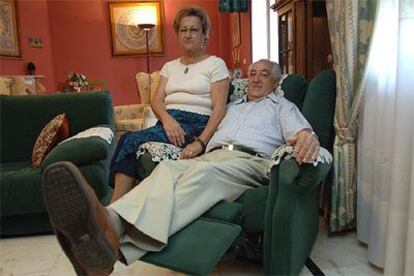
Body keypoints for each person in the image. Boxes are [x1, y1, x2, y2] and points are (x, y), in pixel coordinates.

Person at [41, 59, 320, 275]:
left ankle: (113, 240)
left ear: (276, 81)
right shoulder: (231, 106)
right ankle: (108, 225)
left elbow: (302, 132)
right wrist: (197, 144)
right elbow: (208, 128)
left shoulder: (282, 106)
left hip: (249, 160)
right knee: (167, 169)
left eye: (264, 74)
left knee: (205, 174)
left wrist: (307, 137)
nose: (256, 78)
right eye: (253, 73)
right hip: (211, 156)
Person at [110, 6, 230, 202]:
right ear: (177, 34)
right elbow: (156, 101)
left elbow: (219, 109)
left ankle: (112, 208)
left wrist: (201, 142)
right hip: (168, 123)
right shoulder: (169, 67)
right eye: (183, 30)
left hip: (196, 124)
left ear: (204, 33)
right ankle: (122, 208)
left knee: (128, 140)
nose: (188, 35)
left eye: (194, 30)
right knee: (130, 142)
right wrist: (167, 120)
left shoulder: (215, 65)